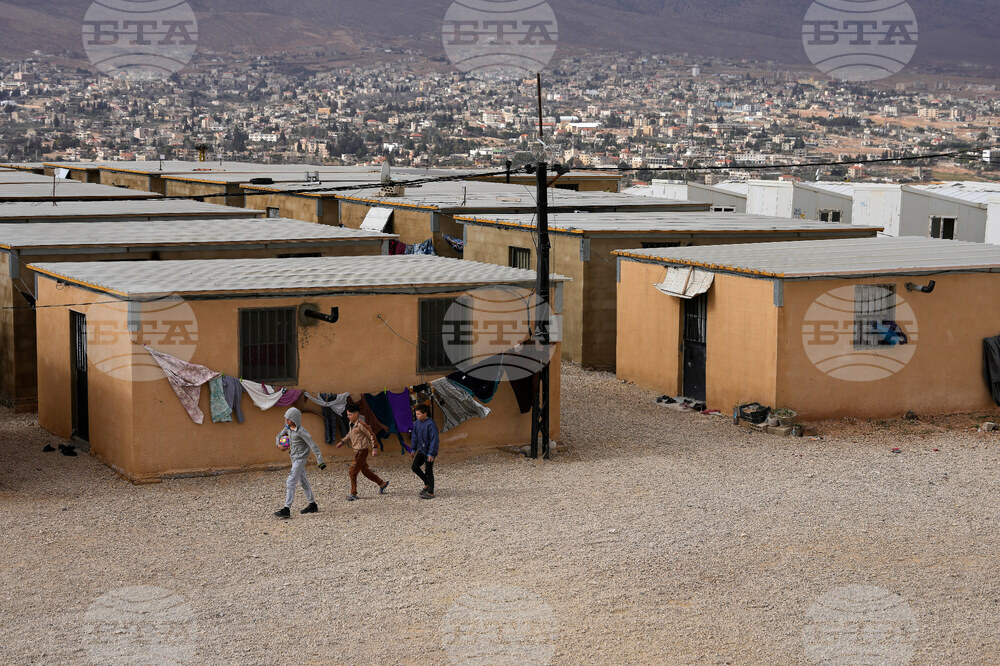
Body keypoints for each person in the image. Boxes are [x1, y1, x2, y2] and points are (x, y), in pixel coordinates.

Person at [274, 407, 326, 519]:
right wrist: (279, 445)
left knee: (290, 482)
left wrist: (320, 461)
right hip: (293, 458)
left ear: (295, 419)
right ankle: (312, 504)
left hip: (300, 459)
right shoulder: (287, 428)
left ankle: (286, 509)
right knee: (303, 482)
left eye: (288, 419)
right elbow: (278, 436)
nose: (286, 420)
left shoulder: (302, 432)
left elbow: (313, 445)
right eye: (286, 418)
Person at [337, 403, 389, 501]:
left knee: (352, 471)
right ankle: (382, 483)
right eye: (348, 415)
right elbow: (350, 434)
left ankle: (353, 493)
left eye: (350, 415)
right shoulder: (352, 424)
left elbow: (371, 434)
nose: (348, 417)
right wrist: (342, 442)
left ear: (356, 414)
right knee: (365, 471)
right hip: (356, 451)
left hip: (361, 452)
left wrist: (375, 448)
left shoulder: (361, 424)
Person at [410, 404, 438, 499]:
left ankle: (431, 492)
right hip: (421, 450)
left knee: (428, 470)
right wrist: (413, 449)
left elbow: (434, 440)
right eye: (416, 414)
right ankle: (427, 483)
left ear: (425, 414)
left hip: (429, 452)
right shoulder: (417, 423)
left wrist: (431, 453)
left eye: (418, 414)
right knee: (415, 467)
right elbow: (414, 436)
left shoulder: (431, 424)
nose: (416, 416)